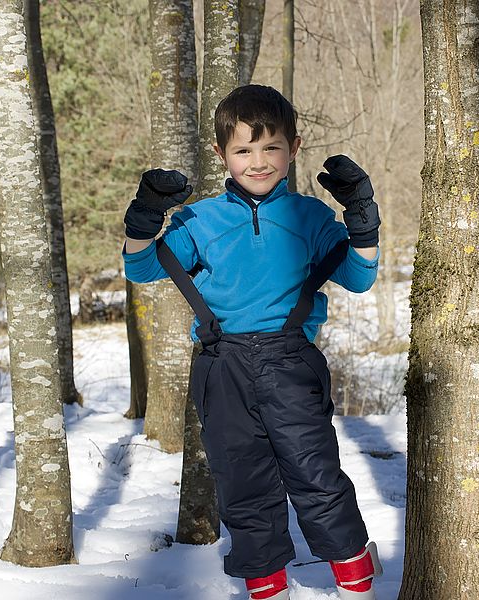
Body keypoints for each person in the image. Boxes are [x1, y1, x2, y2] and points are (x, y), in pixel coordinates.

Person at [122, 84, 383, 600]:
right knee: (244, 486)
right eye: (243, 150)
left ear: (294, 147)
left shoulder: (309, 217)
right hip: (223, 368)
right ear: (221, 154)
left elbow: (358, 278)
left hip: (291, 363)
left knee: (316, 477)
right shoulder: (201, 219)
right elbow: (142, 265)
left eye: (271, 149)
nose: (258, 162)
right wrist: (145, 217)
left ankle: (356, 584)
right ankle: (268, 588)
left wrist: (362, 220)